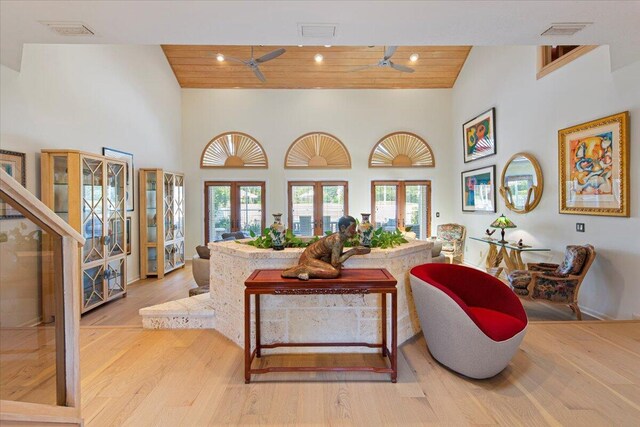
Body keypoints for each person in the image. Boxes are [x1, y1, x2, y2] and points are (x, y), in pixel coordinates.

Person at [281, 215, 371, 280]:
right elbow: (335, 262)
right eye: (353, 228)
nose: (355, 231)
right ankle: (302, 269)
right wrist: (353, 252)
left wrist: (353, 251)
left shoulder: (341, 237)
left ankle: (305, 269)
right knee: (334, 272)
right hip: (307, 260)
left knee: (336, 270)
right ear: (343, 228)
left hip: (316, 259)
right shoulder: (337, 239)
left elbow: (336, 258)